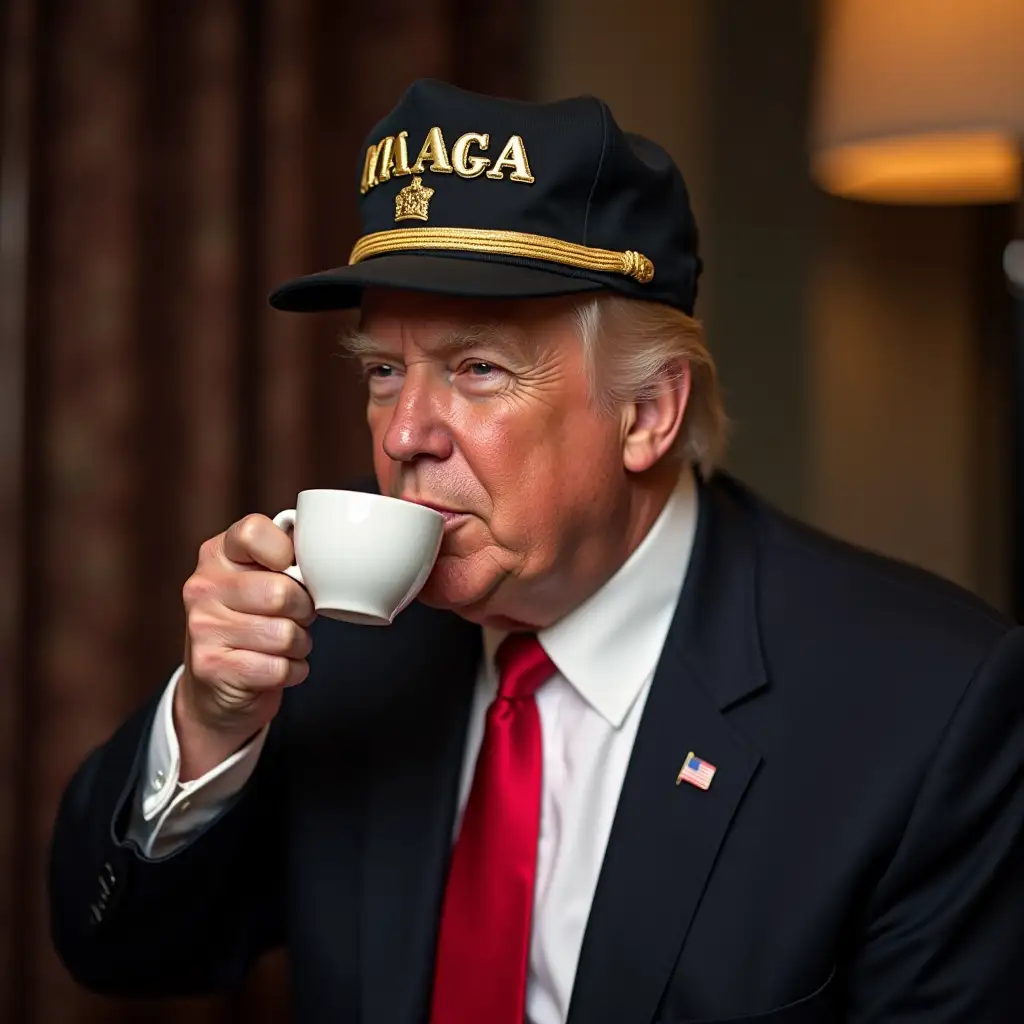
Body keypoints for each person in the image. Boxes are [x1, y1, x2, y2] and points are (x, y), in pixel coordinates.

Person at [49, 79, 1024, 1024]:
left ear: (646, 412)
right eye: (385, 371)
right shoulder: (329, 644)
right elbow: (121, 950)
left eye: (476, 369)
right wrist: (211, 722)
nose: (404, 434)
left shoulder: (925, 709)